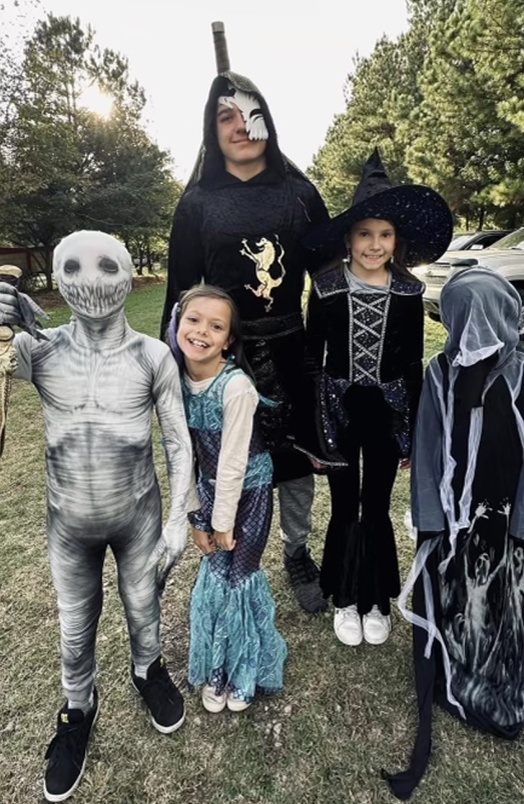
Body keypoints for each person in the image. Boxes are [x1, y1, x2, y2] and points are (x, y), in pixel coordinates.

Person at [0, 231, 197, 802]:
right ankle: (78, 708)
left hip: (138, 513)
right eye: (75, 268)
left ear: (129, 274)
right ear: (58, 278)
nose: (90, 279)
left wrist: (179, 519)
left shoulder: (153, 356)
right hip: (68, 520)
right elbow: (7, 368)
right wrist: (8, 322)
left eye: (105, 265)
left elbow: (178, 443)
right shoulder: (42, 351)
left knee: (143, 607)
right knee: (73, 626)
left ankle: (147, 670)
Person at [387, 267, 524, 799]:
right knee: (464, 595)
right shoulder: (440, 373)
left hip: (511, 515)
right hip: (458, 517)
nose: (474, 326)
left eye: (484, 313)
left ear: (505, 313)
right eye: (462, 315)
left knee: (515, 594)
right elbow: (428, 445)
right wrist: (431, 516)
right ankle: (466, 655)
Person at [160, 70, 330, 614]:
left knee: (295, 462)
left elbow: (326, 284)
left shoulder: (301, 196)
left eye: (249, 113)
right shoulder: (197, 206)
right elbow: (178, 296)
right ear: (212, 130)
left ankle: (297, 550)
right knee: (227, 459)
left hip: (291, 350)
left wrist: (324, 354)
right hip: (223, 360)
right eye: (225, 116)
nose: (240, 126)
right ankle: (229, 541)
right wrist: (170, 374)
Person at [297, 149, 453, 647]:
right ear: (348, 237)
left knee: (377, 505)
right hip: (339, 413)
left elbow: (412, 365)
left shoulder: (408, 292)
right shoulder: (324, 288)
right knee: (344, 505)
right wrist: (315, 432)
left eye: (384, 235)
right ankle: (345, 596)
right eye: (365, 233)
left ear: (397, 241)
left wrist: (414, 430)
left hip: (387, 415)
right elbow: (310, 359)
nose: (374, 244)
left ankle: (376, 598)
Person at [168, 284, 288, 712]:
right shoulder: (174, 381)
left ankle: (245, 669)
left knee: (240, 577)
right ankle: (216, 665)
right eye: (193, 320)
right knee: (216, 576)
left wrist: (220, 523)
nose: (201, 332)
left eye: (215, 326)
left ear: (229, 339)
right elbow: (181, 452)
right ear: (177, 324)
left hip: (249, 493)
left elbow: (234, 463)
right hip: (209, 495)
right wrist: (194, 517)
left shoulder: (236, 387)